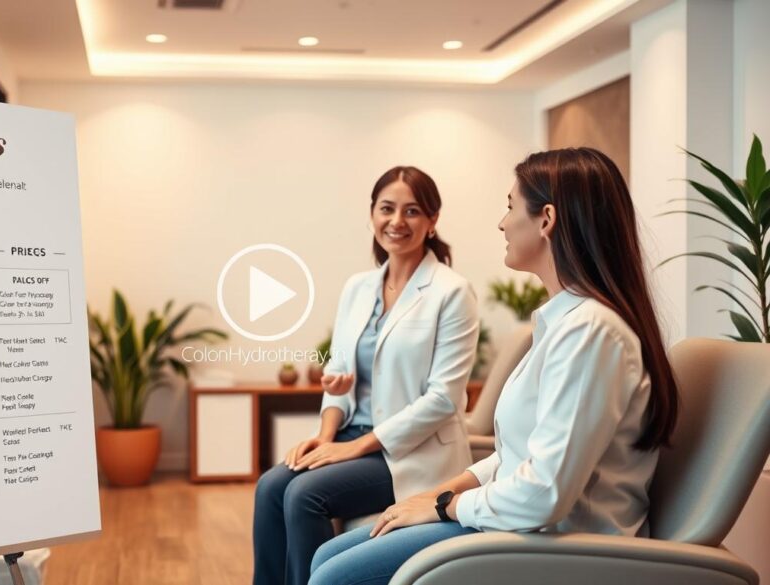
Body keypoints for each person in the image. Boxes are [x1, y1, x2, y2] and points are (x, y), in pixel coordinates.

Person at [308, 147, 680, 585]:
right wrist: (440, 492)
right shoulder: (564, 323)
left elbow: (545, 492)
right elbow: (515, 457)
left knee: (334, 576)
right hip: (523, 526)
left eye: (509, 206)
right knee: (328, 555)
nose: (502, 223)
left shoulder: (591, 333)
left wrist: (445, 505)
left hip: (558, 545)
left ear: (546, 219)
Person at [252, 166, 480, 585]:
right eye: (387, 209)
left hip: (409, 452)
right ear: (372, 214)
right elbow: (339, 374)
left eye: (412, 211)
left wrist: (355, 447)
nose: (397, 222)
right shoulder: (358, 287)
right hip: (349, 437)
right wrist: (326, 435)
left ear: (432, 221)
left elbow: (444, 398)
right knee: (270, 488)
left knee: (304, 495)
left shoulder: (452, 291)